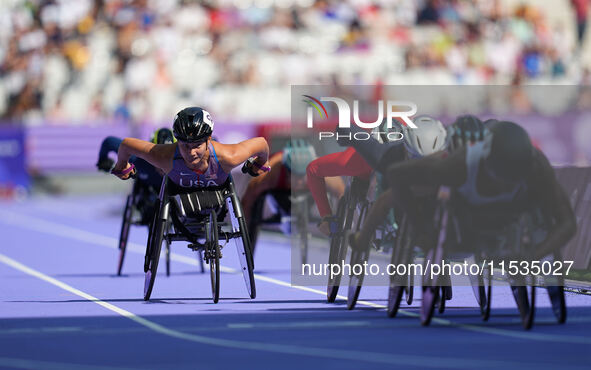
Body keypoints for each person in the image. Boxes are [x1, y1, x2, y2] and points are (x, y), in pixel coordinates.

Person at [380, 119, 576, 262]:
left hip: (514, 205)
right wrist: (420, 226)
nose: (505, 183)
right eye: (501, 175)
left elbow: (567, 223)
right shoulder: (458, 163)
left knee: (542, 209)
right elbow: (396, 180)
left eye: (512, 176)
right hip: (469, 206)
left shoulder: (537, 167)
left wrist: (534, 255)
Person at [111, 107, 271, 189]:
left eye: (197, 146)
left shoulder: (229, 156)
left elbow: (262, 143)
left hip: (217, 195)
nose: (191, 152)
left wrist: (259, 164)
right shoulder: (164, 156)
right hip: (178, 196)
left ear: (209, 140)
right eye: (185, 145)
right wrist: (121, 165)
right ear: (177, 141)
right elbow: (126, 145)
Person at [241, 138, 344, 249]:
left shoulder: (324, 173)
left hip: (309, 195)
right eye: (295, 175)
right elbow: (248, 200)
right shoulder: (271, 173)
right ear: (286, 170)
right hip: (280, 195)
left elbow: (342, 195)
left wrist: (337, 223)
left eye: (302, 175)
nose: (299, 181)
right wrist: (245, 229)